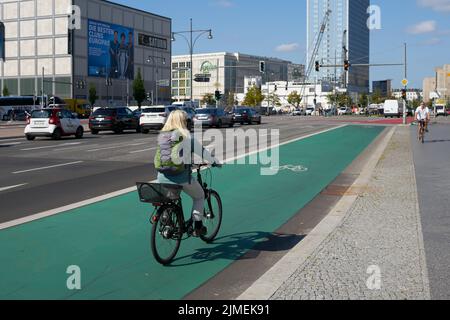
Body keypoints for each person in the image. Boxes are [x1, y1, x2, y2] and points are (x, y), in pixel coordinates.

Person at [155, 110, 220, 237]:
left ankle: (166, 219)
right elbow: (202, 152)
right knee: (199, 196)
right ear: (183, 122)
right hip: (181, 178)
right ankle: (198, 227)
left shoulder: (163, 136)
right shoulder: (186, 137)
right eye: (186, 120)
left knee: (170, 199)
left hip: (162, 177)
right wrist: (215, 162)